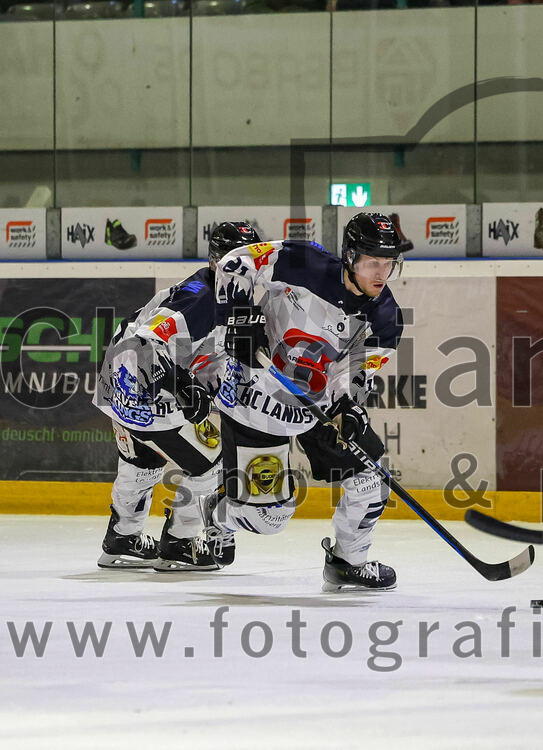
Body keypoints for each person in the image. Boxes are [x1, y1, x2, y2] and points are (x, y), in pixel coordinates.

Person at [205, 212, 405, 590]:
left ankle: (348, 562)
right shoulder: (304, 260)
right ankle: (218, 511)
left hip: (316, 406)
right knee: (269, 521)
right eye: (371, 262)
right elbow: (236, 261)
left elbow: (358, 370)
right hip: (255, 397)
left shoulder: (385, 316)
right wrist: (238, 316)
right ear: (349, 256)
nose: (381, 273)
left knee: (371, 479)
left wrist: (349, 406)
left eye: (388, 264)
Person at [93, 220, 262, 571]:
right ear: (216, 261)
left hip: (119, 376)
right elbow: (146, 342)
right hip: (140, 378)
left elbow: (204, 352)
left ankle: (123, 539)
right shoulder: (200, 297)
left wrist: (216, 388)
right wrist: (184, 387)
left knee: (142, 461)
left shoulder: (226, 296)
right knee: (212, 461)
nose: (243, 270)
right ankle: (180, 543)